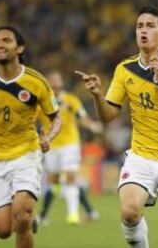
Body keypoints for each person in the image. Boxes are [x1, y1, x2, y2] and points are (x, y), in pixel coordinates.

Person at [75, 5, 158, 248]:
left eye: (150, 26)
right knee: (130, 212)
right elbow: (107, 116)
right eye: (139, 26)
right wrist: (97, 96)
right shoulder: (124, 69)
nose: (143, 31)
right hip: (141, 155)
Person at [0, 26, 61, 248]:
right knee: (3, 230)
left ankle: (26, 215)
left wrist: (49, 137)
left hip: (26, 155)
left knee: (21, 216)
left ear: (20, 48)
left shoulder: (37, 82)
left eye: (6, 40)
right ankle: (27, 218)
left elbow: (56, 117)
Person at [36, 71, 102, 225]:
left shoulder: (71, 99)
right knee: (53, 181)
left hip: (70, 144)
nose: (54, 82)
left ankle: (72, 215)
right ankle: (43, 216)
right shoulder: (42, 102)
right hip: (51, 145)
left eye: (57, 79)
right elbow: (31, 118)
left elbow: (82, 116)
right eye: (51, 79)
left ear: (61, 82)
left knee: (70, 176)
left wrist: (91, 125)